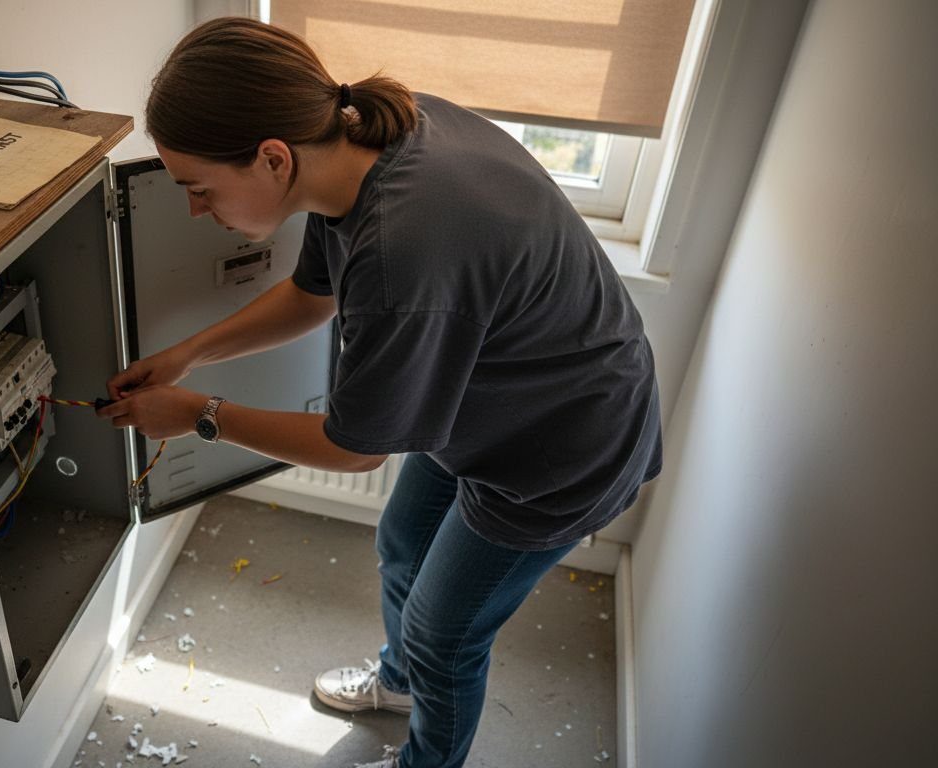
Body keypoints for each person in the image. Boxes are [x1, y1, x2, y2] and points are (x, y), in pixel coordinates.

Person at [98, 16, 663, 768]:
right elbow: (310, 297)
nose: (198, 210)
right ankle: (401, 685)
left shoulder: (405, 248)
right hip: (487, 397)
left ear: (271, 158)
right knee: (403, 538)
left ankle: (424, 757)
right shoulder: (362, 142)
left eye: (199, 189)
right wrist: (186, 356)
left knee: (445, 635)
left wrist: (201, 417)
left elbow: (354, 449)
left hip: (561, 447)